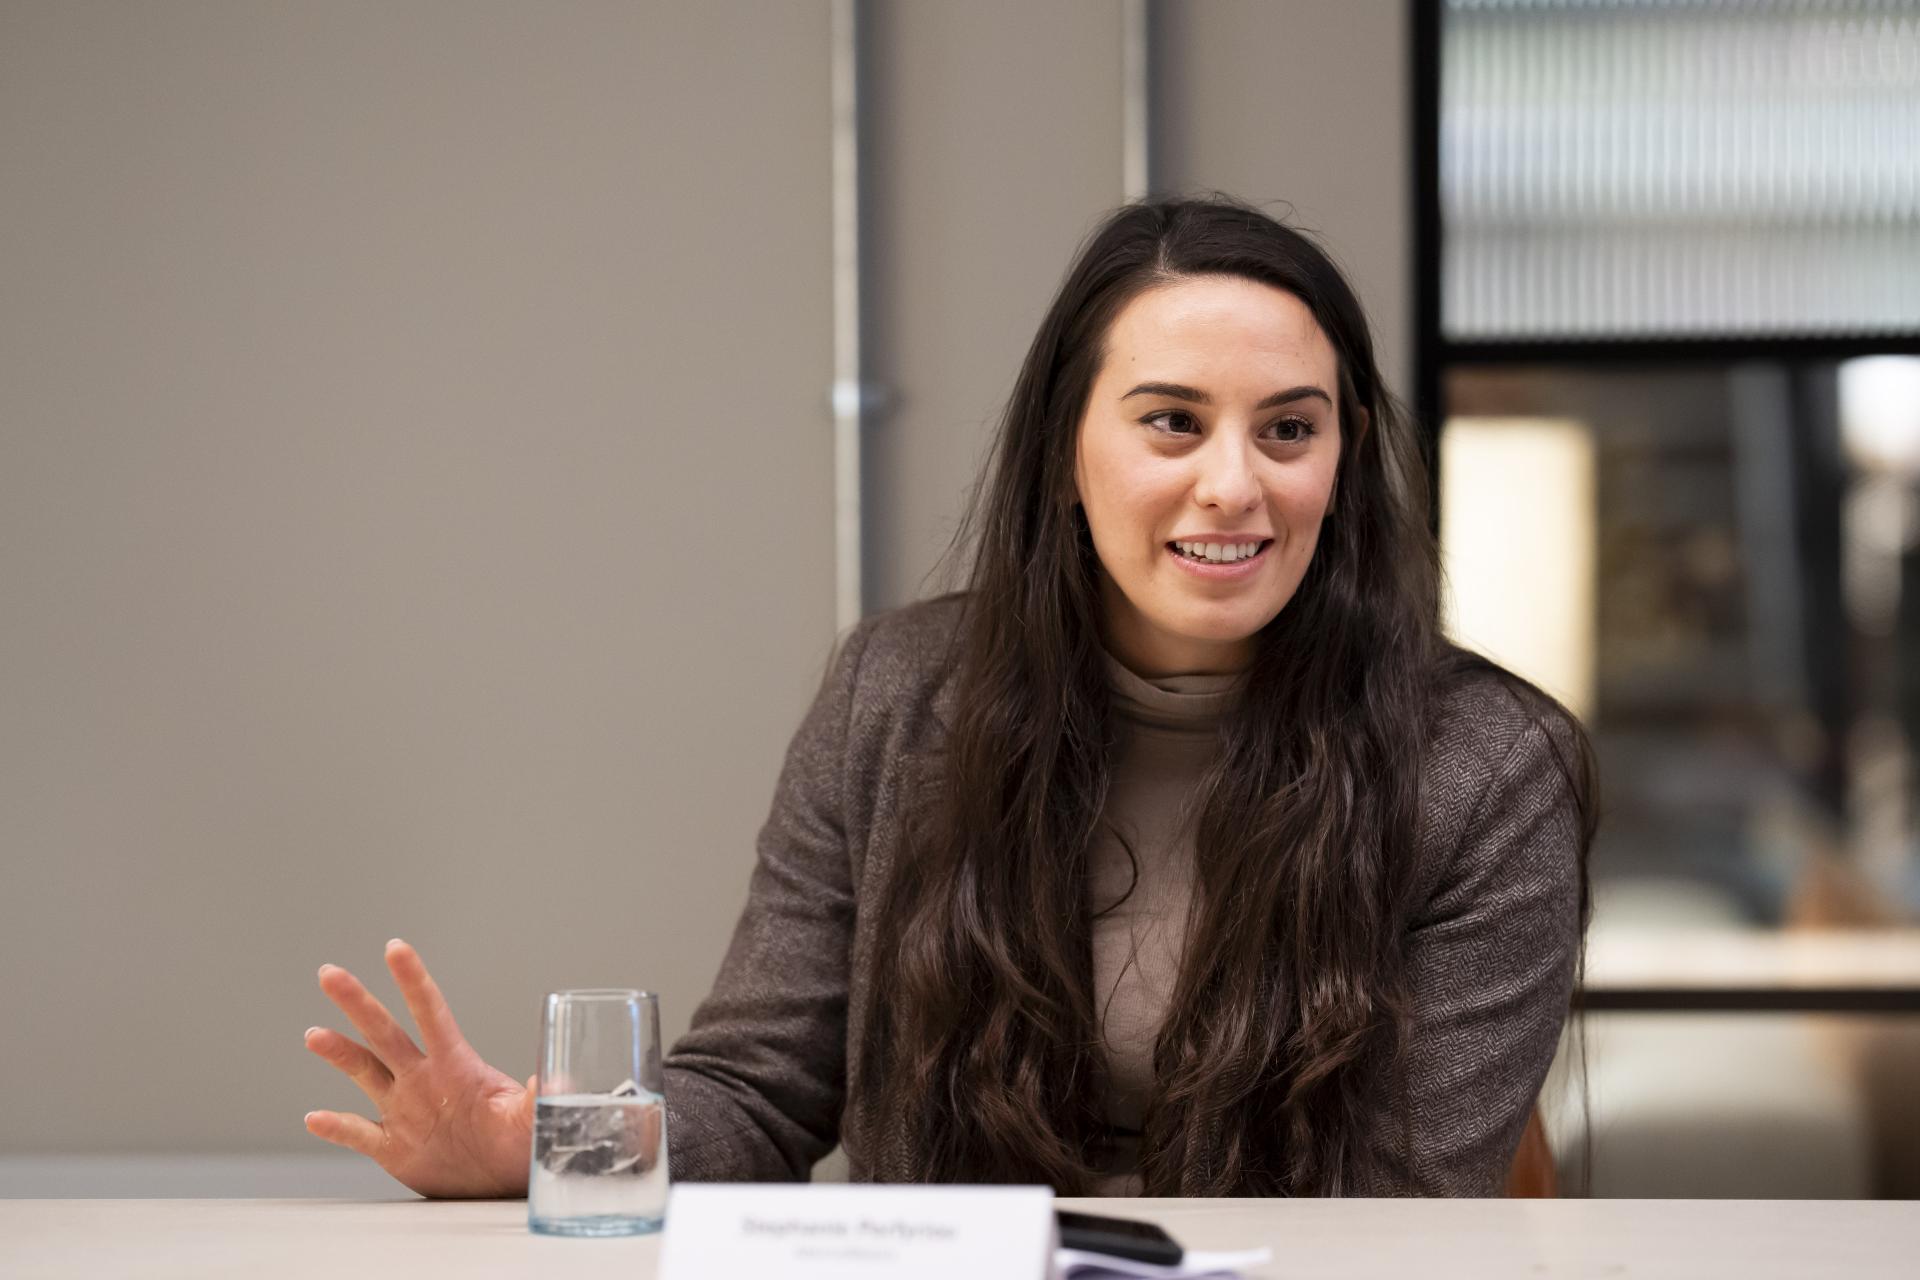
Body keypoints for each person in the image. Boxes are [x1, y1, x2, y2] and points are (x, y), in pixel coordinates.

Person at [303, 194, 1596, 1199]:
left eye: (1288, 430)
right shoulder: (896, 698)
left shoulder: (1488, 765)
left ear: (1344, 463)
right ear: (1063, 453)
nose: (1233, 485)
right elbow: (755, 1096)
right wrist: (546, 1147)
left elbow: (1405, 1203)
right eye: (1169, 422)